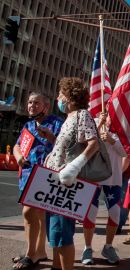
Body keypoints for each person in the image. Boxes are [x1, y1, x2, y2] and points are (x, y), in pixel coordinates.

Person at [43, 77, 100, 270]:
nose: (58, 98)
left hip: (65, 185)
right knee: (54, 234)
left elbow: (93, 143)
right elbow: (66, 148)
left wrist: (74, 167)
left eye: (61, 94)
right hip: (54, 183)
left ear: (70, 97)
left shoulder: (82, 115)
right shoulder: (69, 118)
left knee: (62, 233)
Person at [12, 92, 63, 269]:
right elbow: (18, 146)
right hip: (27, 174)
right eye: (30, 102)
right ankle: (38, 251)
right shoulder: (28, 125)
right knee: (37, 215)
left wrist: (51, 137)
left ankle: (30, 255)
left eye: (36, 102)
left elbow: (66, 148)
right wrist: (18, 156)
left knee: (29, 213)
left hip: (45, 175)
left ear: (46, 106)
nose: (32, 105)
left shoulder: (57, 123)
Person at [81, 112, 127, 265]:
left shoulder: (122, 129)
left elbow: (126, 152)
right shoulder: (93, 122)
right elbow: (82, 143)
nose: (108, 115)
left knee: (115, 214)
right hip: (93, 176)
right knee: (91, 213)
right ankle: (87, 248)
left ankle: (108, 246)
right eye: (106, 112)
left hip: (113, 178)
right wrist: (99, 125)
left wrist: (113, 141)